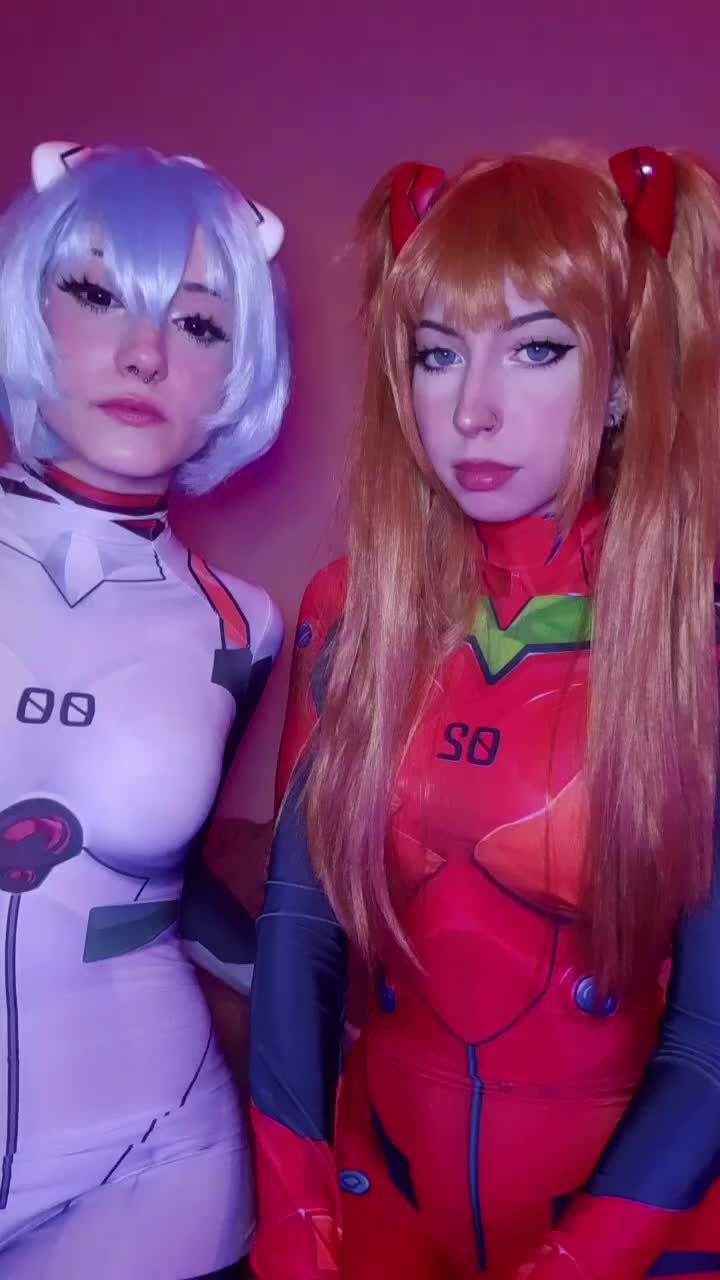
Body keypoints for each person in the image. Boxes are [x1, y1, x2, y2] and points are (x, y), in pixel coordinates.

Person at [249, 145, 720, 1278]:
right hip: (374, 1203)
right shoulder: (351, 610)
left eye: (538, 348)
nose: (474, 409)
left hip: (639, 1231)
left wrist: (578, 1264)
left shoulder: (690, 641)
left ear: (621, 382)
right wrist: (292, 1223)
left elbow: (712, 1036)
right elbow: (298, 940)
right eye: (438, 352)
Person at [0, 140, 289, 1278]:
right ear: (29, 306)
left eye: (199, 322)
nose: (144, 351)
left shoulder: (243, 625)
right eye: (96, 293)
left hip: (153, 1164)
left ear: (237, 371)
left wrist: (334, 1002)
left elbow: (160, 885)